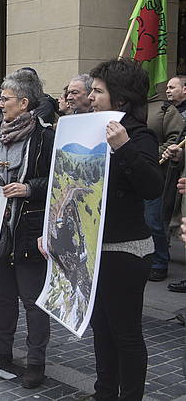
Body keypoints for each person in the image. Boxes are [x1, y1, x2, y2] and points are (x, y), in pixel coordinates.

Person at [82, 58, 162, 400]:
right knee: (101, 328)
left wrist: (124, 147)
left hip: (125, 251)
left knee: (124, 333)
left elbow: (152, 186)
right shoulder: (90, 129)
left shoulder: (139, 136)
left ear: (121, 99)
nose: (90, 98)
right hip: (96, 248)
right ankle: (104, 393)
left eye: (98, 92)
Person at [0, 68, 54, 389]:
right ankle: (2, 354)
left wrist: (29, 188)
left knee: (33, 301)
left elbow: (58, 180)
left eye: (4, 99)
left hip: (29, 229)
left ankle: (36, 363)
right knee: (3, 297)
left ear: (23, 103)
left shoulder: (46, 136)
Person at [144, 85, 184, 282]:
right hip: (133, 176)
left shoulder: (165, 110)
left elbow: (176, 140)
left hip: (158, 175)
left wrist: (147, 154)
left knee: (154, 221)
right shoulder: (123, 110)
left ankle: (160, 262)